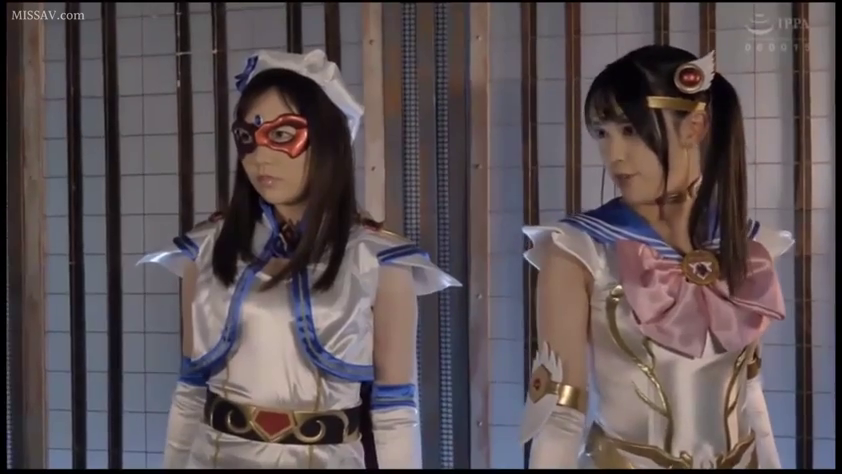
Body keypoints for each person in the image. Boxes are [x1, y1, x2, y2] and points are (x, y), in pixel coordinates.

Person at [139, 49, 460, 469]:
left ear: (328, 141)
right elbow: (190, 391)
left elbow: (395, 411)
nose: (260, 157)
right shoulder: (205, 250)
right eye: (247, 137)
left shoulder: (380, 261)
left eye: (282, 135)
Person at [520, 46, 791, 469]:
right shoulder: (579, 251)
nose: (614, 155)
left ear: (694, 126)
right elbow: (560, 415)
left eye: (629, 130)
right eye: (602, 134)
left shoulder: (749, 247)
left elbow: (751, 396)